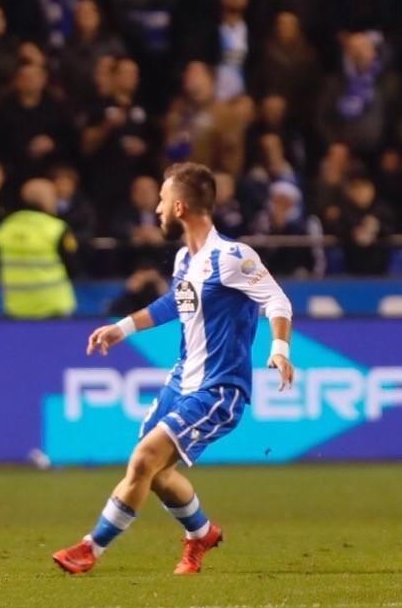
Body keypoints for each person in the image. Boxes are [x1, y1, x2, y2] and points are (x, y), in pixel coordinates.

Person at [52, 162, 294, 575]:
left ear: (180, 206)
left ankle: (90, 548)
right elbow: (173, 304)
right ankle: (201, 534)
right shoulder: (186, 258)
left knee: (145, 458)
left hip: (220, 388)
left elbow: (277, 300)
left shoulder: (233, 256)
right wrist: (122, 328)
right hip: (182, 381)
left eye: (162, 200)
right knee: (155, 471)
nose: (157, 208)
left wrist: (279, 348)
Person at [0, 178, 78, 319]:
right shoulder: (56, 228)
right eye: (53, 196)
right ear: (44, 199)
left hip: (16, 308)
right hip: (53, 307)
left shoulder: (5, 227)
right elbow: (73, 264)